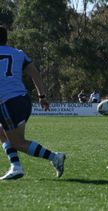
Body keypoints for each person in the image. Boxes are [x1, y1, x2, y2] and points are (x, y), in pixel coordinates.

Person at [0, 26, 66, 180]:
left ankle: (54, 157)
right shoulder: (18, 53)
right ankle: (15, 166)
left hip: (7, 103)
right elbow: (34, 72)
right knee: (2, 133)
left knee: (17, 142)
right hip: (23, 100)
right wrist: (42, 96)